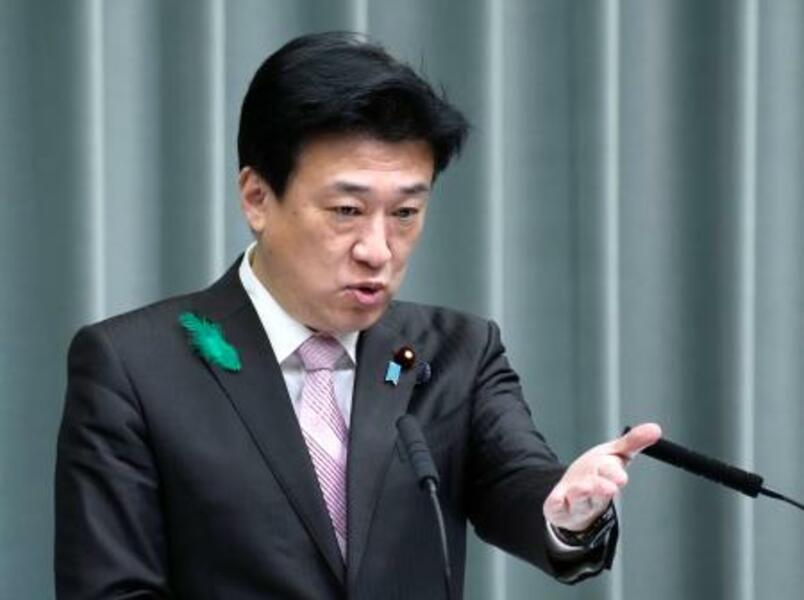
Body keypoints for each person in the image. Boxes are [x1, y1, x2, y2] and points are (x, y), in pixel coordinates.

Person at [55, 32, 661, 599]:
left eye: (404, 214)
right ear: (257, 198)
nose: (378, 249)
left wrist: (569, 512)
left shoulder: (458, 351)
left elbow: (519, 482)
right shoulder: (133, 368)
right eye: (347, 210)